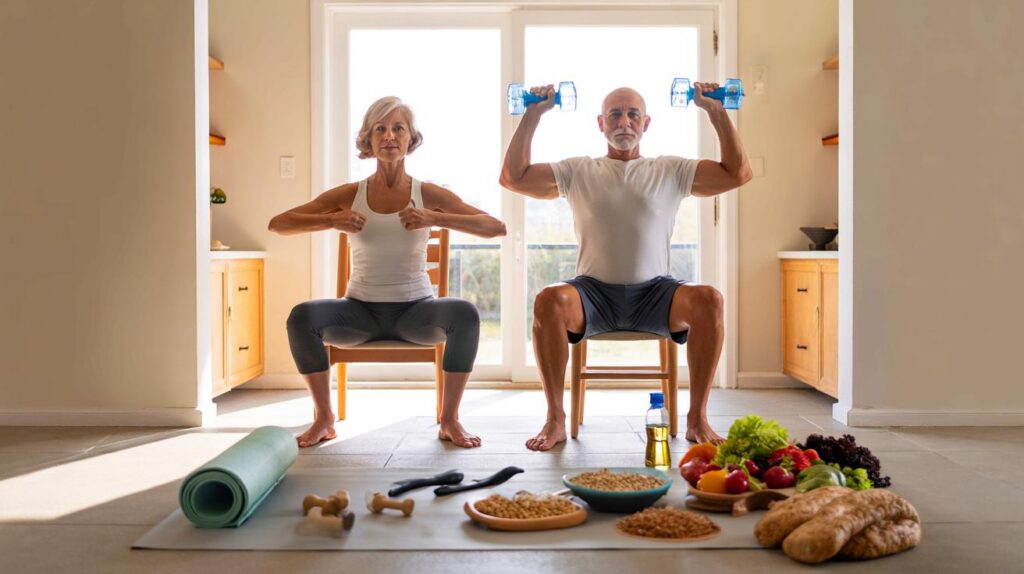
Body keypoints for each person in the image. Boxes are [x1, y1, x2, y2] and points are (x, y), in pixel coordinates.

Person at [499, 83, 752, 451]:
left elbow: (737, 173)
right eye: (615, 114)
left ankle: (697, 418)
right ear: (600, 123)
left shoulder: (670, 169)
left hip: (656, 293)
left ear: (646, 123)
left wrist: (715, 111)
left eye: (633, 114)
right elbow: (513, 177)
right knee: (549, 299)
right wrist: (533, 114)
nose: (624, 121)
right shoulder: (578, 170)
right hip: (593, 293)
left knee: (709, 298)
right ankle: (555, 418)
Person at [269, 96, 506, 448]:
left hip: (416, 313)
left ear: (411, 138)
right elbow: (279, 224)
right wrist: (331, 220)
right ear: (369, 139)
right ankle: (324, 419)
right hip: (359, 313)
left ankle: (449, 419)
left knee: (465, 314)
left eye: (398, 128)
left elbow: (495, 227)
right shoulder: (351, 194)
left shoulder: (428, 194)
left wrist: (435, 217)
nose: (389, 135)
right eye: (380, 128)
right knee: (301, 317)